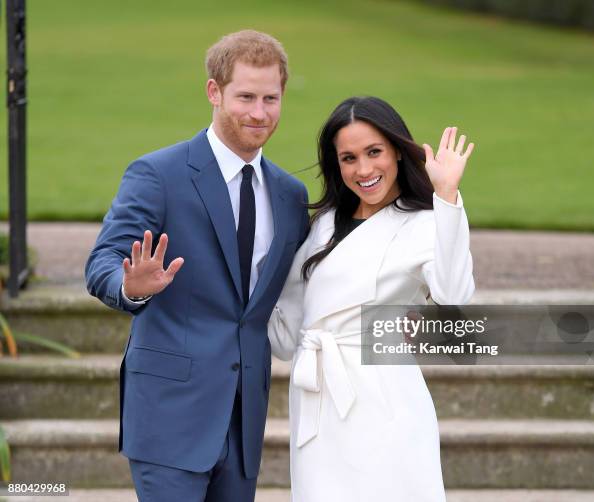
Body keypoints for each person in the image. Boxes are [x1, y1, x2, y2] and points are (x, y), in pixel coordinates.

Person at [85, 30, 309, 502]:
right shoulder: (158, 174)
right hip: (169, 417)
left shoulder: (290, 196)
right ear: (214, 92)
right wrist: (133, 288)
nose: (259, 112)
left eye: (271, 98)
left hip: (244, 422)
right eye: (245, 96)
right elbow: (102, 261)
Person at [268, 96, 475, 501]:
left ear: (397, 150)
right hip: (317, 398)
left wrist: (447, 196)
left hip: (385, 398)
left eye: (374, 152)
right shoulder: (323, 225)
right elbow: (285, 335)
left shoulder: (427, 222)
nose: (363, 170)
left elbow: (454, 294)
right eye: (348, 158)